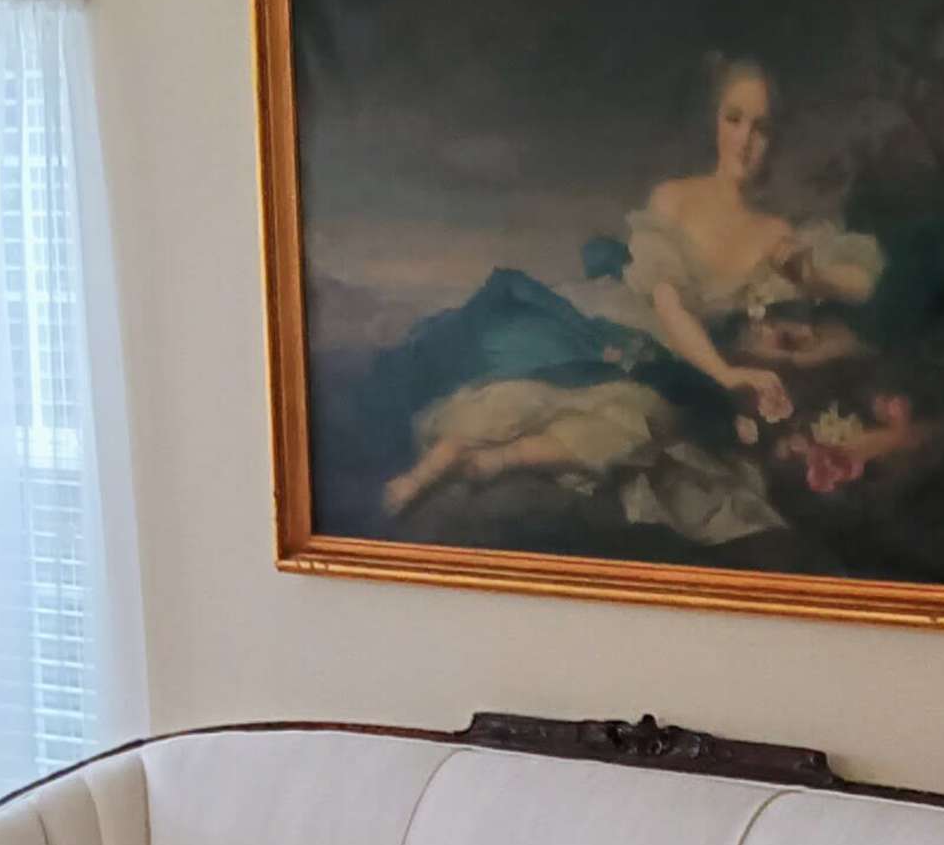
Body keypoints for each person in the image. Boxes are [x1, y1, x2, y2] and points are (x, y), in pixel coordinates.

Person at [376, 58, 882, 541]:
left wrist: (811, 272)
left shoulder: (774, 233)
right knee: (535, 384)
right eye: (735, 120)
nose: (746, 140)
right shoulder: (674, 199)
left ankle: (493, 463)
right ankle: (425, 472)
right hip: (625, 327)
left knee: (631, 423)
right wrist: (726, 374)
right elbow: (669, 304)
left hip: (679, 368)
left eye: (762, 128)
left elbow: (857, 285)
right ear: (715, 123)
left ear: (775, 140)